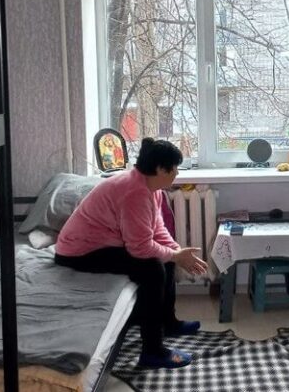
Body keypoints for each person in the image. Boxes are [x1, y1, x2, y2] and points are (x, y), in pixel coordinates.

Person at [54, 137, 207, 369]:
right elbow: (140, 248)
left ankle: (169, 323)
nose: (177, 173)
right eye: (174, 168)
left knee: (166, 258)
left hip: (103, 242)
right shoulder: (134, 192)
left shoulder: (151, 188)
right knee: (153, 269)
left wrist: (177, 252)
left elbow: (157, 229)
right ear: (160, 169)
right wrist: (175, 255)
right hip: (79, 251)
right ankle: (152, 352)